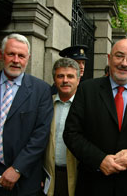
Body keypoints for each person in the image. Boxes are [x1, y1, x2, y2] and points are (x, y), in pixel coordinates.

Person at [63, 38, 127, 196]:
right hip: (92, 184)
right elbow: (71, 134)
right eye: (119, 56)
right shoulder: (87, 90)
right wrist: (99, 159)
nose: (124, 63)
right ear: (109, 58)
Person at [0, 33, 54, 195]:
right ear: (1, 55)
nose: (16, 60)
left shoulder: (41, 90)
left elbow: (40, 135)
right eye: (11, 54)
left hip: (24, 183)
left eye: (21, 56)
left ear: (28, 58)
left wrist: (18, 168)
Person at [43, 58, 80, 196]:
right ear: (54, 79)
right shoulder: (45, 104)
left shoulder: (86, 106)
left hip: (76, 176)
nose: (65, 80)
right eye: (60, 76)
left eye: (70, 76)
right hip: (49, 175)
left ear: (78, 79)